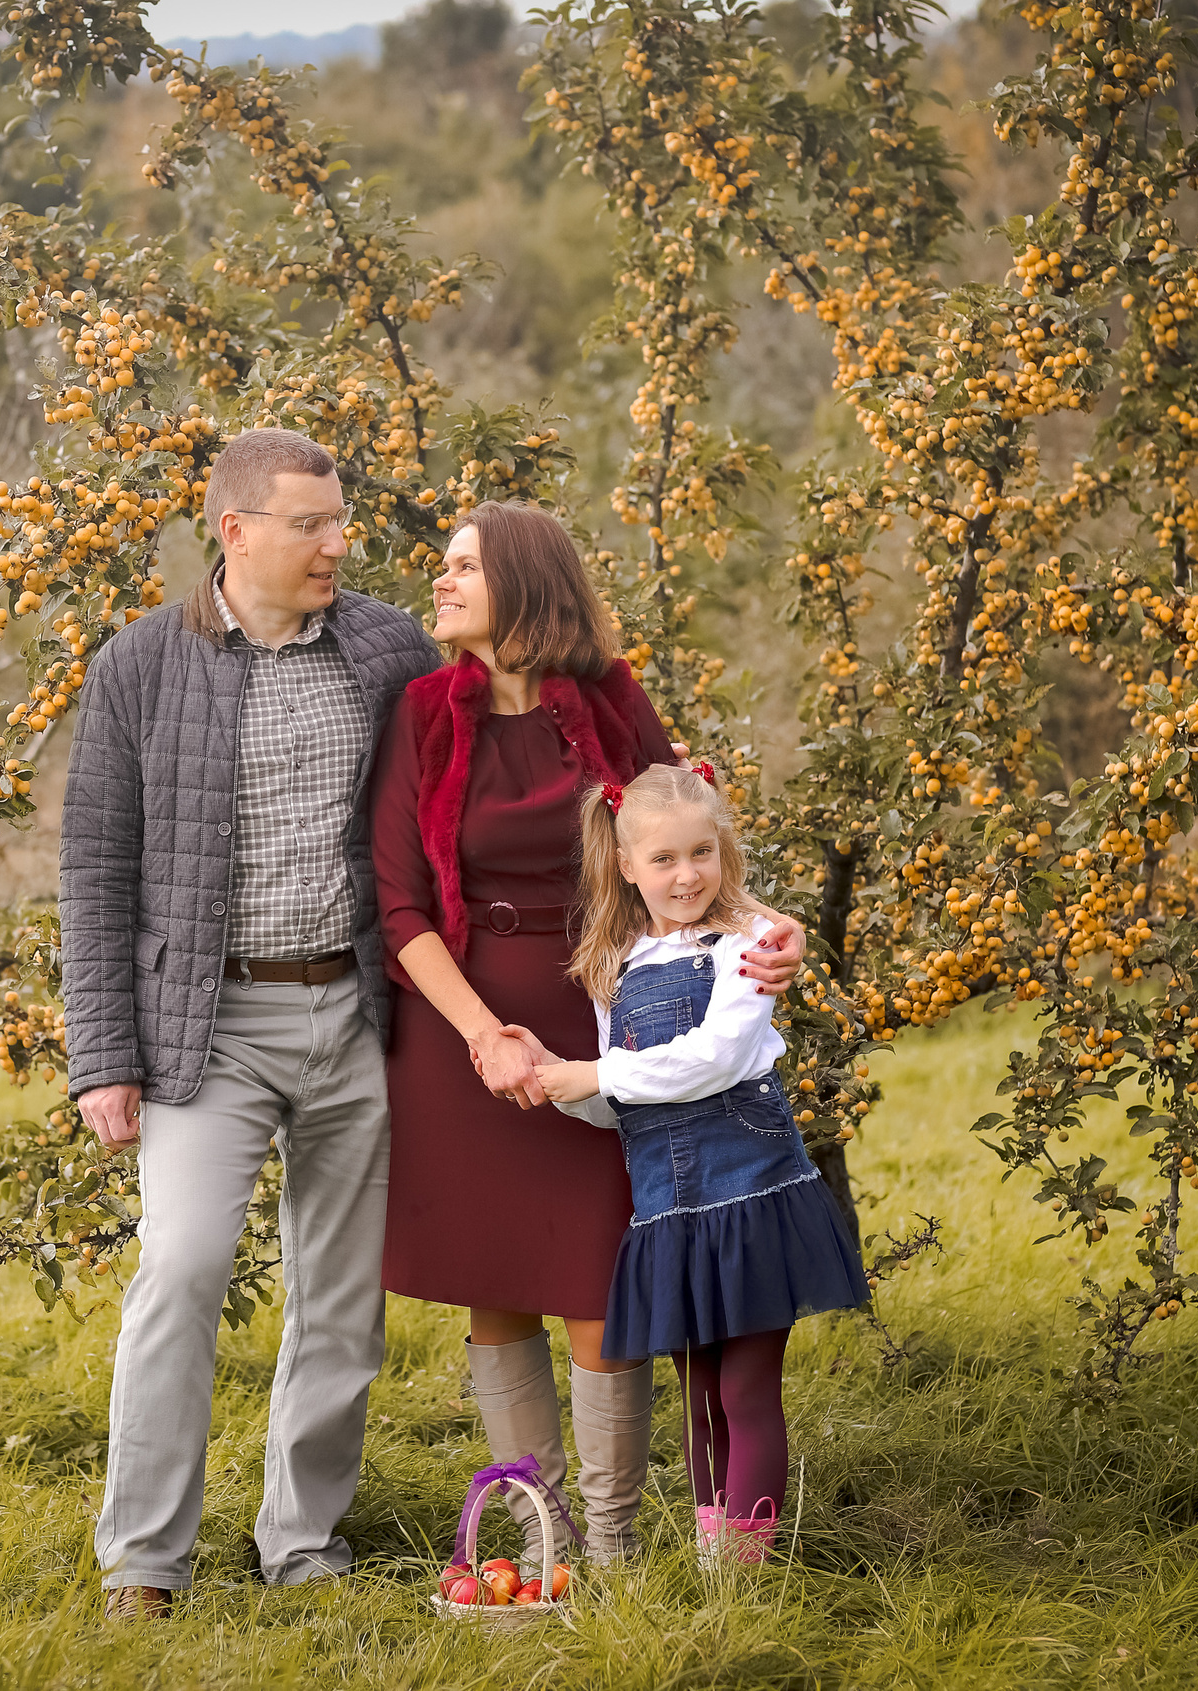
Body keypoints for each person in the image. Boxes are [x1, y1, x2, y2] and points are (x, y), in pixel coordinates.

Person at [368, 502, 802, 1572]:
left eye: (464, 564)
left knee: (598, 1284)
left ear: (524, 580)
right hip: (462, 1027)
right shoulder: (420, 709)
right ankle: (540, 1541)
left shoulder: (608, 698)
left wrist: (764, 937)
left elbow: (688, 844)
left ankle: (607, 1543)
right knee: (497, 1282)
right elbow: (398, 905)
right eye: (445, 566)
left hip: (604, 1016)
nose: (444, 581)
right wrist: (483, 1037)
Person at [60, 427, 441, 1619]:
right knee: (179, 1267)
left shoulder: (386, 647)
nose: (337, 543)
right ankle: (144, 1558)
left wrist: (635, 778)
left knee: (340, 1290)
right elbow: (94, 870)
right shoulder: (136, 666)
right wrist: (102, 1056)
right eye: (310, 524)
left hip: (358, 1013)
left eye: (339, 522)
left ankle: (303, 1540)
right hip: (204, 1026)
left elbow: (475, 778)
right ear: (235, 531)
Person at [535, 764, 867, 1566]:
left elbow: (716, 1060)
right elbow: (618, 1098)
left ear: (723, 851)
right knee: (701, 1400)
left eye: (702, 853)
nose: (686, 875)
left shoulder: (748, 945)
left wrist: (595, 1075)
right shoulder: (613, 965)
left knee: (747, 1389)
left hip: (750, 1195)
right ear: (625, 865)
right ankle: (717, 1557)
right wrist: (556, 1082)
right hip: (671, 1214)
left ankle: (744, 1575)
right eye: (664, 859)